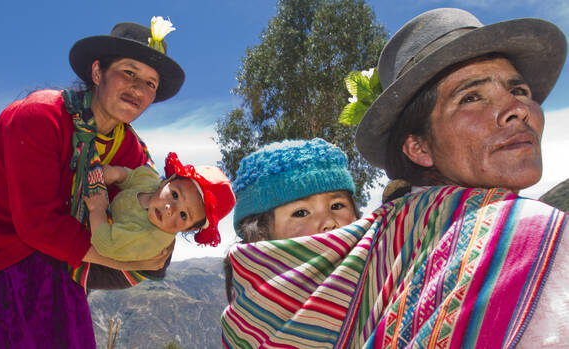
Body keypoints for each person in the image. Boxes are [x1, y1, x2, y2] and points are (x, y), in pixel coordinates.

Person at [221, 8, 569, 348]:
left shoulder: (386, 242)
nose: (518, 109)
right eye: (471, 97)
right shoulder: (529, 239)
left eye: (520, 91)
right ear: (418, 148)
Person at [0, 17, 185, 348]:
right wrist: (120, 260)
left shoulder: (129, 149)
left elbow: (138, 208)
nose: (138, 89)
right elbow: (37, 224)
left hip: (51, 265)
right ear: (98, 72)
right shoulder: (40, 116)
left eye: (150, 84)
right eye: (129, 73)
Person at [223, 137, 360, 302]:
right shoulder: (250, 315)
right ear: (261, 234)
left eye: (337, 206)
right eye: (301, 213)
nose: (329, 223)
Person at [85, 152, 235, 261]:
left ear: (188, 229)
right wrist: (117, 173)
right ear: (167, 181)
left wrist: (97, 210)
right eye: (175, 195)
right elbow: (133, 176)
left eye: (183, 215)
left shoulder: (150, 239)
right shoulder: (150, 181)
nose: (171, 209)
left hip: (121, 258)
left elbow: (106, 245)